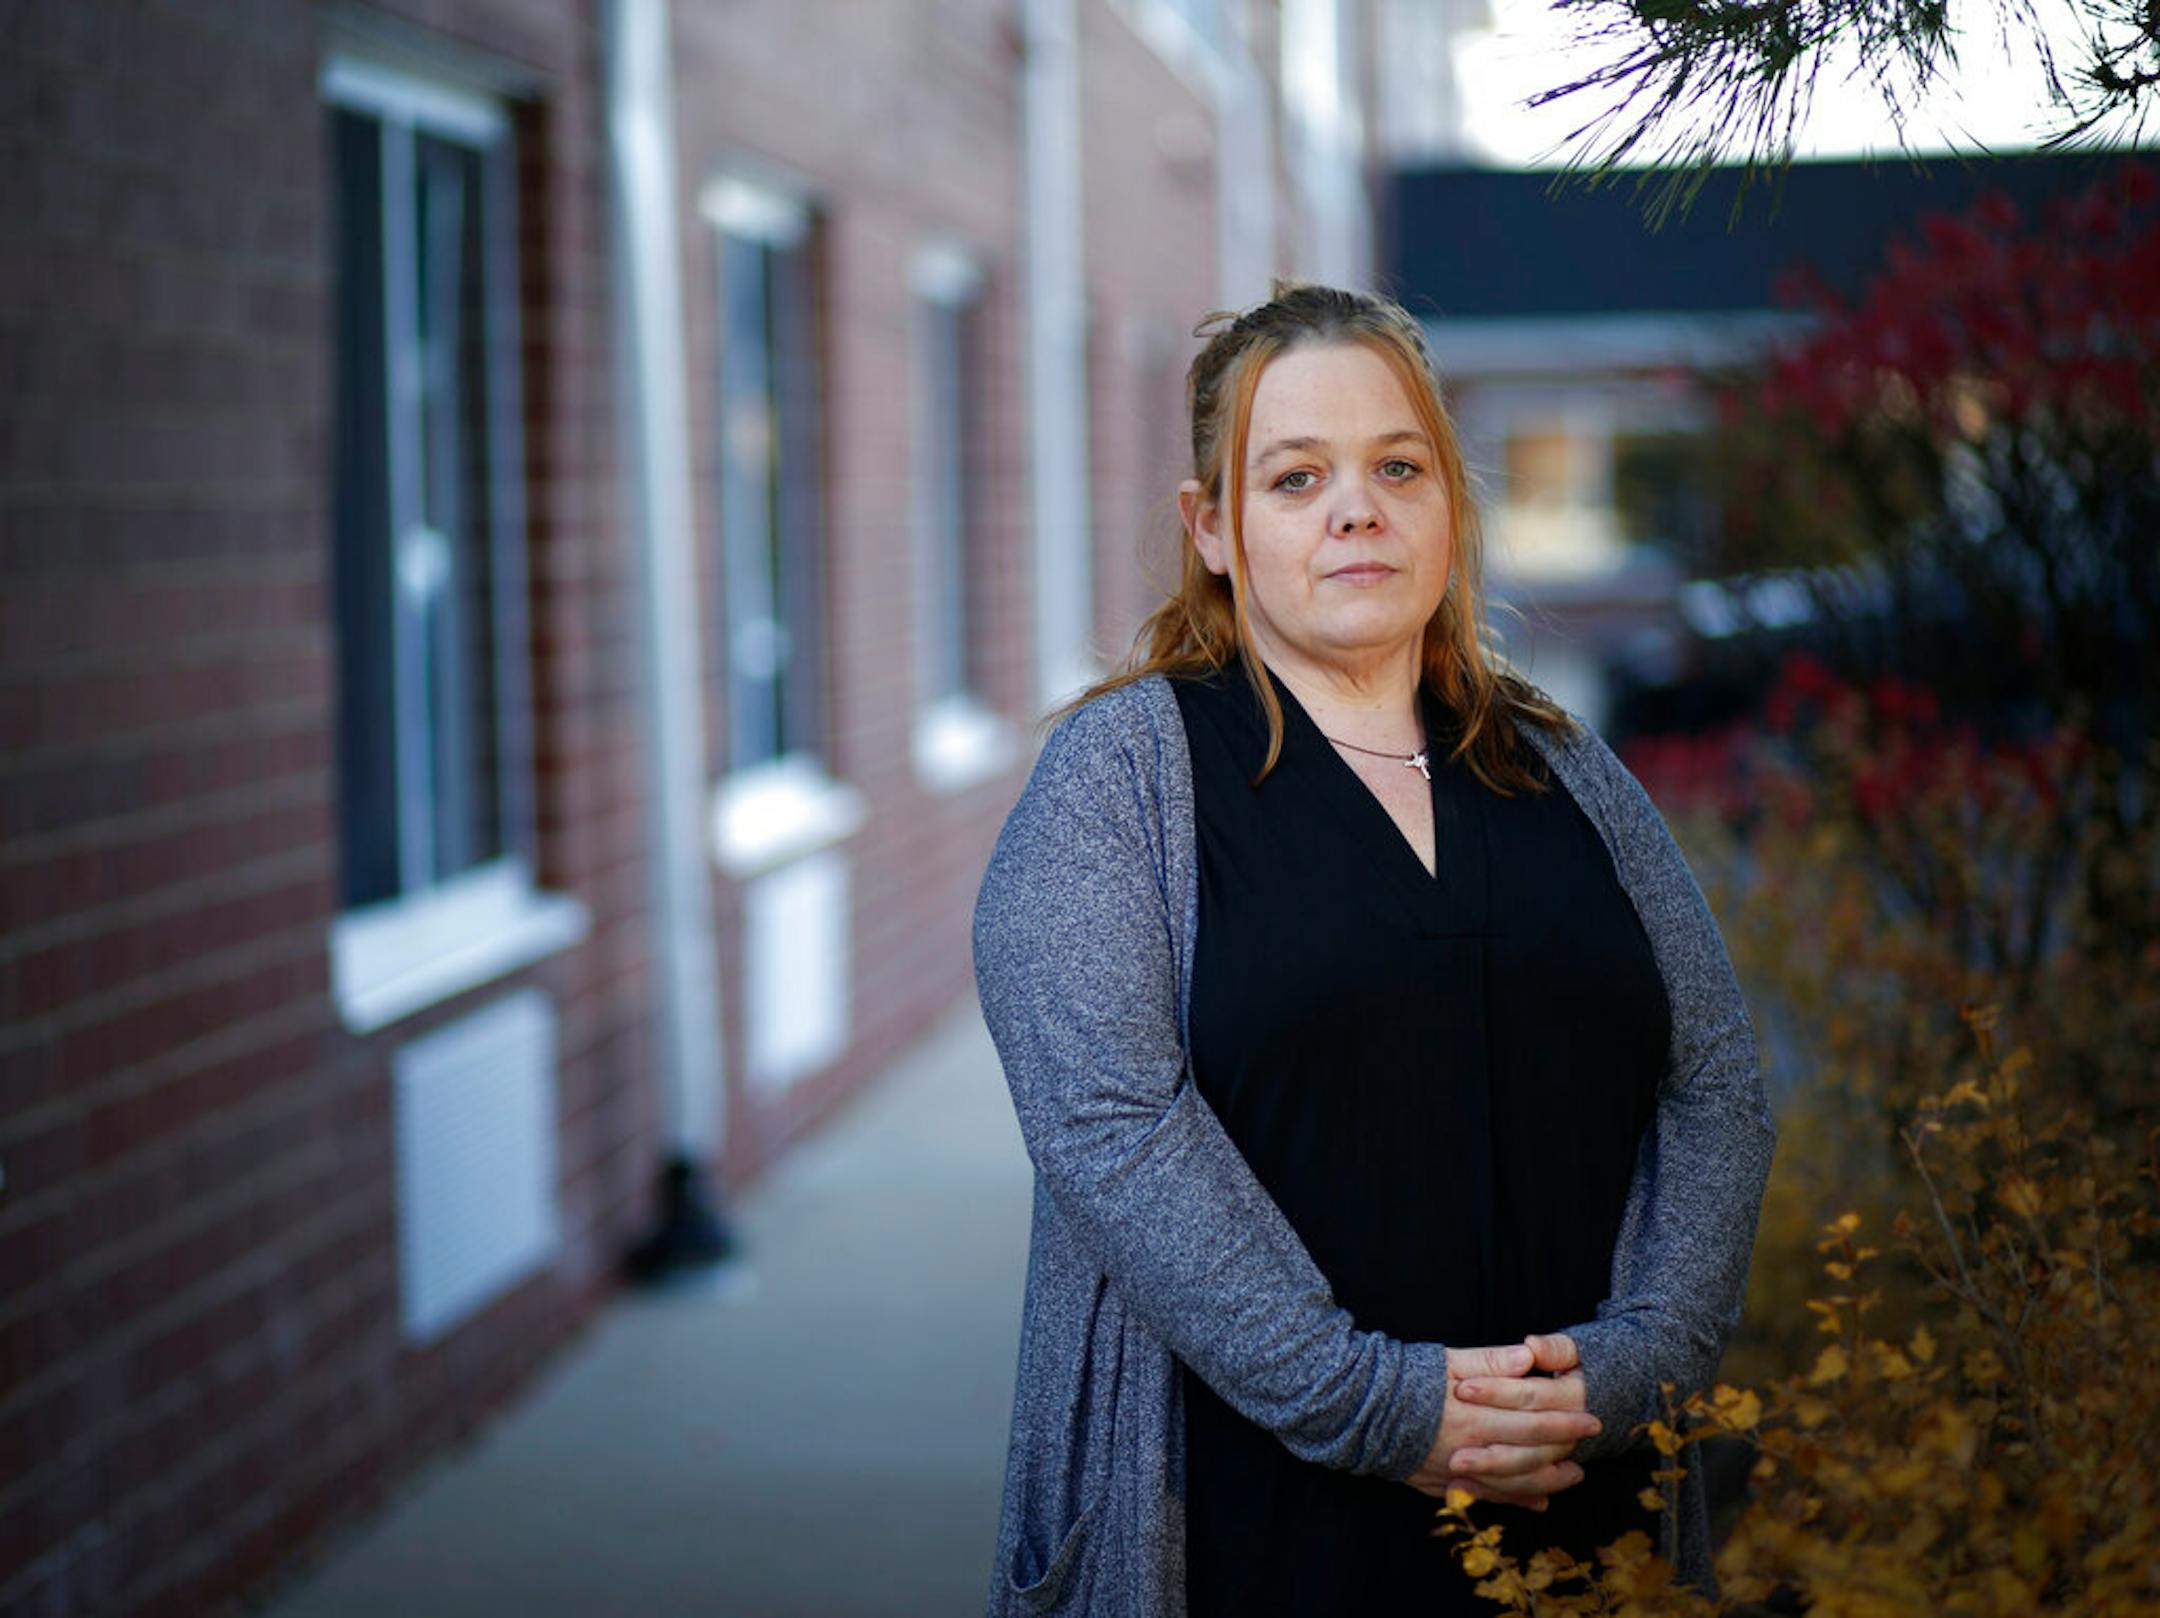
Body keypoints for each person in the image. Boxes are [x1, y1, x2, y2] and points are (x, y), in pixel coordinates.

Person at [972, 281, 1775, 1618]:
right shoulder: (1122, 780)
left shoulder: (1558, 765)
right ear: (1212, 526)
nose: (1357, 507)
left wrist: (1635, 1368)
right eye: (1296, 477)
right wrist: (1382, 1406)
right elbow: (1111, 1127)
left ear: (1449, 504)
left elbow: (1718, 1078)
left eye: (1398, 466)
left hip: (1584, 1504)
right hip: (1254, 1531)